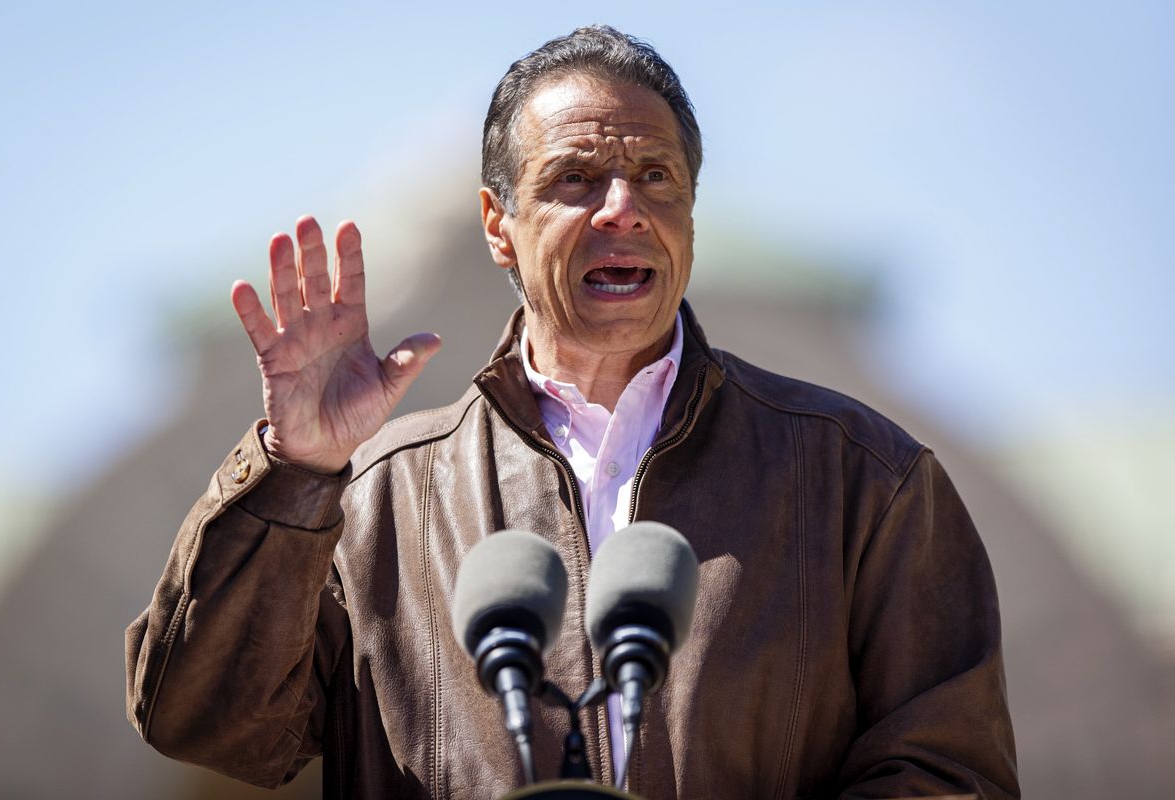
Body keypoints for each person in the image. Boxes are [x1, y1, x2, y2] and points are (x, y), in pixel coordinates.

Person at [125, 25, 1019, 800]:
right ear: (497, 223)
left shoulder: (863, 477)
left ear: (692, 211)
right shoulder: (374, 493)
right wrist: (295, 470)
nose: (623, 209)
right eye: (576, 179)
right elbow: (208, 728)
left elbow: (951, 775)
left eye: (655, 176)